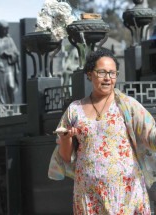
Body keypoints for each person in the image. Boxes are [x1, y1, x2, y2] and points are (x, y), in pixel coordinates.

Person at [48, 48, 156, 214]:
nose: (108, 78)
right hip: (88, 193)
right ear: (90, 74)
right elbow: (65, 157)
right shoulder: (74, 110)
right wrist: (65, 138)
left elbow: (151, 135)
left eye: (112, 73)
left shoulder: (128, 105)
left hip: (125, 192)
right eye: (102, 72)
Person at [0, 20, 20, 104]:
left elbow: (16, 53)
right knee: (0, 87)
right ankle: (2, 106)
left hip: (8, 65)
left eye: (7, 29)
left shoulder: (9, 39)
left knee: (11, 86)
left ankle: (11, 105)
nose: (6, 31)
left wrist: (9, 54)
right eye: (4, 29)